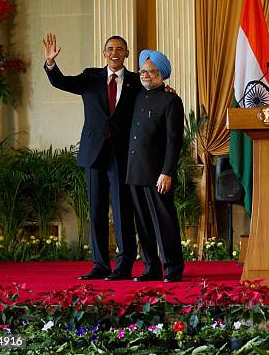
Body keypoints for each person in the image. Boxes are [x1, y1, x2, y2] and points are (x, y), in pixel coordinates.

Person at [43, 33, 139, 281]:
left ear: (127, 54)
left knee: (122, 211)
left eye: (120, 48)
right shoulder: (91, 77)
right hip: (94, 153)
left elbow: (153, 96)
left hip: (121, 154)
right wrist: (51, 64)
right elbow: (62, 82)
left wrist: (165, 88)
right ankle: (100, 265)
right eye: (110, 48)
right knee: (96, 210)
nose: (114, 52)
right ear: (104, 53)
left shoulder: (136, 82)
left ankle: (124, 265)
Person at [127, 49, 185, 283]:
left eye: (151, 71)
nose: (145, 75)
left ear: (162, 75)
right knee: (143, 225)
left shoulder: (172, 100)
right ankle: (151, 268)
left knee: (164, 223)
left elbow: (174, 141)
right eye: (143, 71)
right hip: (135, 170)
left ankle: (172, 269)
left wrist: (167, 172)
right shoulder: (137, 95)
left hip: (158, 173)